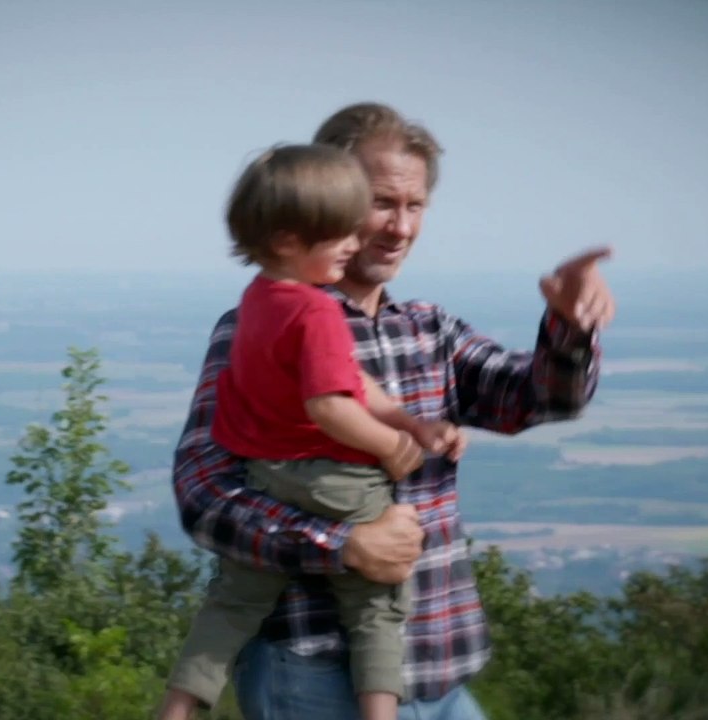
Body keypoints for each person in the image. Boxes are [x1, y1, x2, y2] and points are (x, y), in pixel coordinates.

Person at [171, 103, 614, 720]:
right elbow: (204, 494)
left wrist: (568, 326)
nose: (398, 227)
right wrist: (342, 544)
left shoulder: (430, 330)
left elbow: (542, 398)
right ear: (329, 198)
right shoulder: (261, 325)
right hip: (313, 673)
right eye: (381, 203)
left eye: (414, 207)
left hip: (437, 672)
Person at [160, 144, 467, 720]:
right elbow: (332, 404)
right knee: (378, 606)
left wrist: (407, 418)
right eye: (340, 234)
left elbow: (351, 382)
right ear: (286, 239)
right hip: (334, 481)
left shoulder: (257, 300)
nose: (354, 245)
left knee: (231, 606)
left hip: (265, 477)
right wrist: (393, 445)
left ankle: (178, 708)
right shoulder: (319, 311)